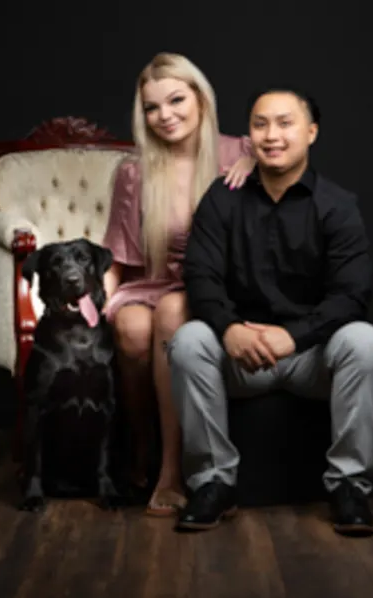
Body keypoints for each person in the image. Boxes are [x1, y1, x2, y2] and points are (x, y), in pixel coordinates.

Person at [166, 84, 373, 536]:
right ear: (249, 135)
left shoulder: (337, 205)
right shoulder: (223, 198)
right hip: (241, 356)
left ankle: (349, 487)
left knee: (366, 342)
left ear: (311, 132)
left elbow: (352, 294)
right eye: (260, 124)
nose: (272, 135)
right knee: (189, 340)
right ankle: (213, 483)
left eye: (285, 123)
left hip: (312, 357)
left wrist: (295, 337)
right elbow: (200, 275)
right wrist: (229, 329)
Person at [101, 52, 257, 517]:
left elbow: (287, 182)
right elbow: (118, 256)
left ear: (200, 99)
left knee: (171, 312)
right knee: (131, 328)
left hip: (210, 285)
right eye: (152, 107)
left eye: (176, 100)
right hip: (149, 281)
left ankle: (171, 470)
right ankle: (140, 443)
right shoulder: (134, 171)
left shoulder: (242, 152)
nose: (165, 115)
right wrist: (93, 304)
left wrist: (254, 165)